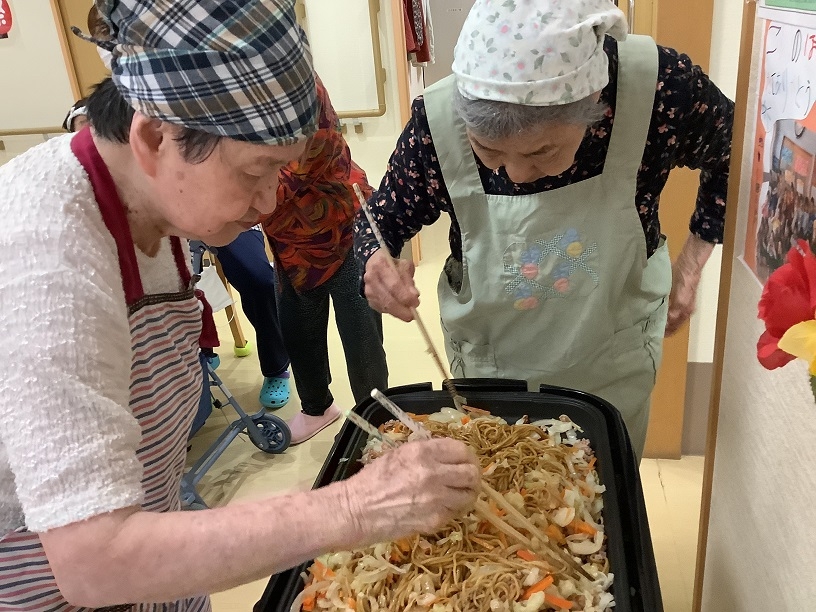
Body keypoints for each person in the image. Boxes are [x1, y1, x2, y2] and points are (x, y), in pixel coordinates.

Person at [0, 2, 480, 610]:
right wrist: (355, 505)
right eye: (257, 171)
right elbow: (94, 561)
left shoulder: (156, 198)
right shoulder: (46, 258)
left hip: (160, 554)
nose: (268, 202)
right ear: (153, 138)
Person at [355, 0, 734, 459]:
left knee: (599, 494)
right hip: (491, 372)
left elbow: (734, 151)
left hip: (612, 358)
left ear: (594, 102)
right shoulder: (436, 121)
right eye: (488, 152)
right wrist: (377, 262)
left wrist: (691, 269)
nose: (514, 173)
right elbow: (380, 221)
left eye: (541, 153)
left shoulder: (655, 89)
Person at [263, 76, 389, 444]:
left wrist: (228, 193)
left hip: (342, 226)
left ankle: (374, 418)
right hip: (289, 238)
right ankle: (317, 407)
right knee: (298, 326)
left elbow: (307, 162)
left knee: (361, 332)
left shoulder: (299, 85)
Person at [206, 229, 293, 409]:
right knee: (169, 282)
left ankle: (276, 366)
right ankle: (200, 353)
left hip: (229, 216)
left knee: (260, 281)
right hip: (165, 224)